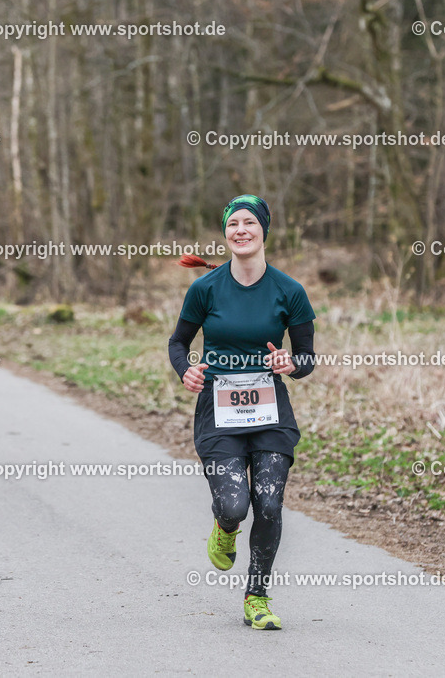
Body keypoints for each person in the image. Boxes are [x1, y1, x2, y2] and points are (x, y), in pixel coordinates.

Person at [168, 194, 316, 630]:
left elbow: (307, 357)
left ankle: (257, 597)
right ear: (226, 232)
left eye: (249, 222)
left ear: (263, 231)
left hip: (270, 413)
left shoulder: (289, 291)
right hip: (219, 412)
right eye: (233, 224)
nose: (241, 231)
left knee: (268, 504)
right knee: (234, 506)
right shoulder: (205, 289)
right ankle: (224, 526)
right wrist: (186, 372)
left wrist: (291, 364)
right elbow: (179, 343)